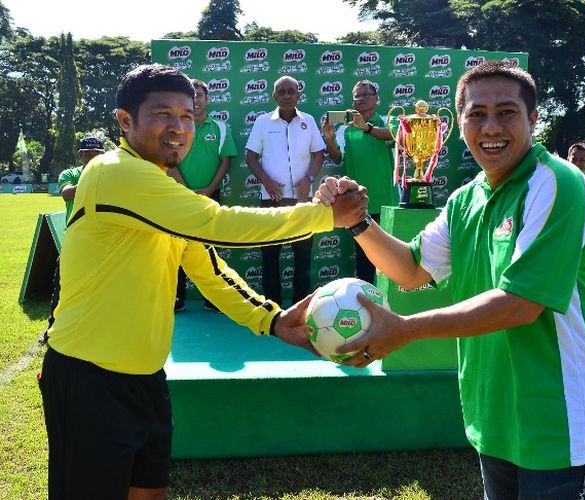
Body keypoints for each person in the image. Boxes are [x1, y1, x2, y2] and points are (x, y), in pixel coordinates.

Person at [37, 64, 366, 500]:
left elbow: (209, 270)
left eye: (187, 116)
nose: (179, 128)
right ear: (125, 121)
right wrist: (324, 216)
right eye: (162, 114)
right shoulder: (113, 172)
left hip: (146, 377)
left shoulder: (162, 190)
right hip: (87, 379)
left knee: (149, 493)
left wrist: (270, 319)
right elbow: (218, 223)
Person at [318, 61, 585, 499]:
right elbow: (409, 270)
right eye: (476, 114)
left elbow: (521, 303)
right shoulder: (466, 198)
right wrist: (357, 220)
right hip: (492, 409)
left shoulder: (557, 183)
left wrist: (406, 330)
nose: (490, 126)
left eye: (507, 112)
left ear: (533, 119)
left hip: (559, 417)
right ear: (459, 124)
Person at [245, 75, 325, 305]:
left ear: (299, 95)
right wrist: (267, 183)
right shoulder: (262, 122)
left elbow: (318, 154)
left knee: (303, 255)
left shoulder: (308, 121)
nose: (287, 95)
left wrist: (308, 179)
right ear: (274, 96)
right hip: (271, 199)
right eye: (282, 91)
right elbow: (250, 157)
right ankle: (272, 305)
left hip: (302, 200)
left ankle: (302, 304)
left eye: (292, 91)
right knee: (269, 254)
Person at [167, 78, 238, 312]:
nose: (196, 99)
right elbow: (168, 161)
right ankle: (177, 298)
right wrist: (185, 190)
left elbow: (226, 160)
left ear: (207, 99)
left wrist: (209, 189)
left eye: (199, 94)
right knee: (176, 245)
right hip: (178, 195)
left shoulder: (220, 126)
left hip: (210, 195)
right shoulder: (175, 127)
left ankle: (213, 298)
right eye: (191, 95)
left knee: (211, 249)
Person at [322, 80, 399, 284]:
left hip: (386, 202)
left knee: (390, 256)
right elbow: (338, 158)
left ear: (377, 98)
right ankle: (367, 301)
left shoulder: (388, 121)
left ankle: (388, 302)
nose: (361, 98)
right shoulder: (344, 129)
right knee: (364, 257)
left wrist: (366, 127)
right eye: (357, 95)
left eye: (366, 94)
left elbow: (394, 137)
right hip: (357, 202)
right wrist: (329, 139)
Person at [40, 136, 107, 345]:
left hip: (102, 241)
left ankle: (96, 328)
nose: (91, 157)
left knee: (103, 288)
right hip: (74, 243)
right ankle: (52, 329)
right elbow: (66, 194)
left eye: (96, 154)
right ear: (80, 155)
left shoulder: (110, 175)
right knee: (62, 288)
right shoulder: (70, 174)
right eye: (87, 153)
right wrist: (91, 179)